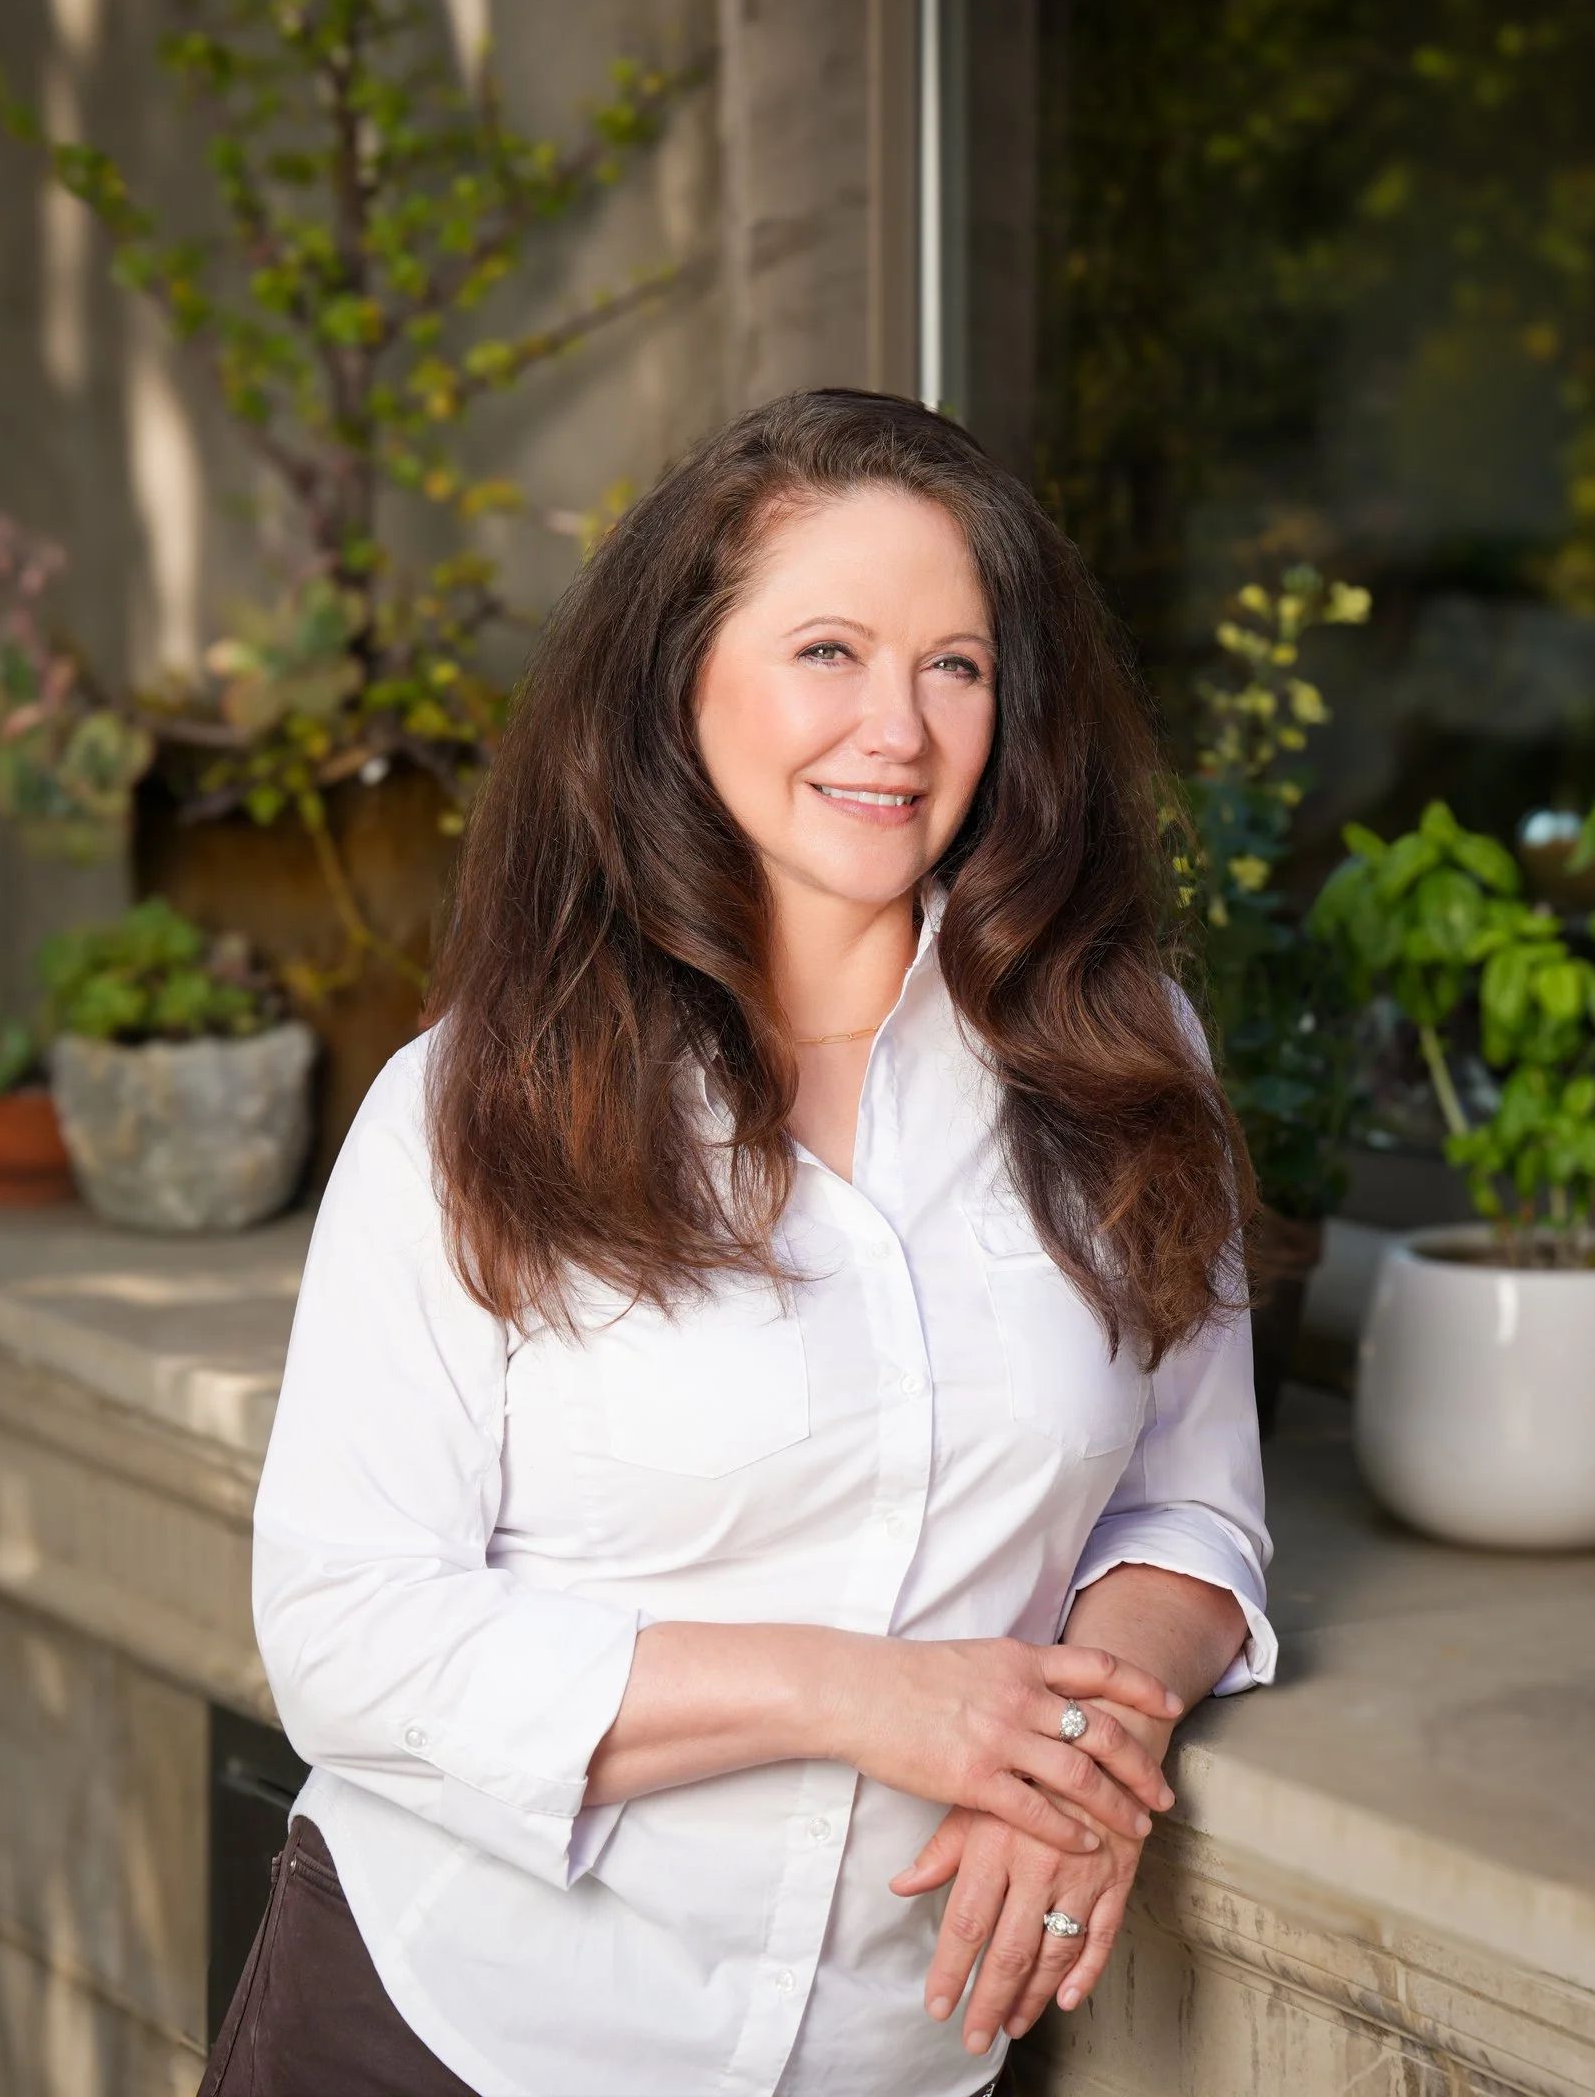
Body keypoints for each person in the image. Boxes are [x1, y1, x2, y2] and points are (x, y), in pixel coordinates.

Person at [197, 388, 1278, 2097]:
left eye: (955, 666)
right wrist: (859, 1696)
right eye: (827, 651)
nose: (896, 730)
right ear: (681, 679)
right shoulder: (480, 1101)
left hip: (892, 2059)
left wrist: (1086, 1743)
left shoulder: (1121, 1061)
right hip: (448, 2031)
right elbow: (343, 1632)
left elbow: (1190, 1508)